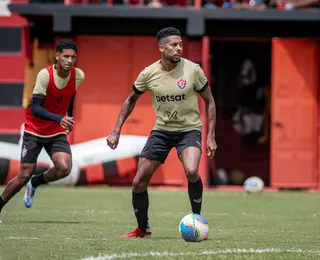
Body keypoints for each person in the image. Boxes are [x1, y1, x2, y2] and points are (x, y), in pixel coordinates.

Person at [106, 27, 217, 238]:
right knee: (139, 181)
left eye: (181, 44)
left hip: (189, 129)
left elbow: (210, 101)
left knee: (192, 171)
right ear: (161, 47)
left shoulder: (193, 70)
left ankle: (197, 220)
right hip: (162, 131)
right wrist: (116, 131)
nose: (178, 49)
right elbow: (130, 100)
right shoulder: (148, 73)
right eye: (174, 45)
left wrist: (210, 136)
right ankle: (143, 229)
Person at [0, 39, 85, 213]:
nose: (70, 60)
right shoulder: (45, 75)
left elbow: (71, 96)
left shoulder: (79, 75)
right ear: (57, 56)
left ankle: (36, 182)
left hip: (55, 131)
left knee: (64, 168)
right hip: (34, 130)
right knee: (24, 174)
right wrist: (60, 118)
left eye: (73, 57)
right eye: (66, 56)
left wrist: (69, 116)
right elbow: (36, 108)